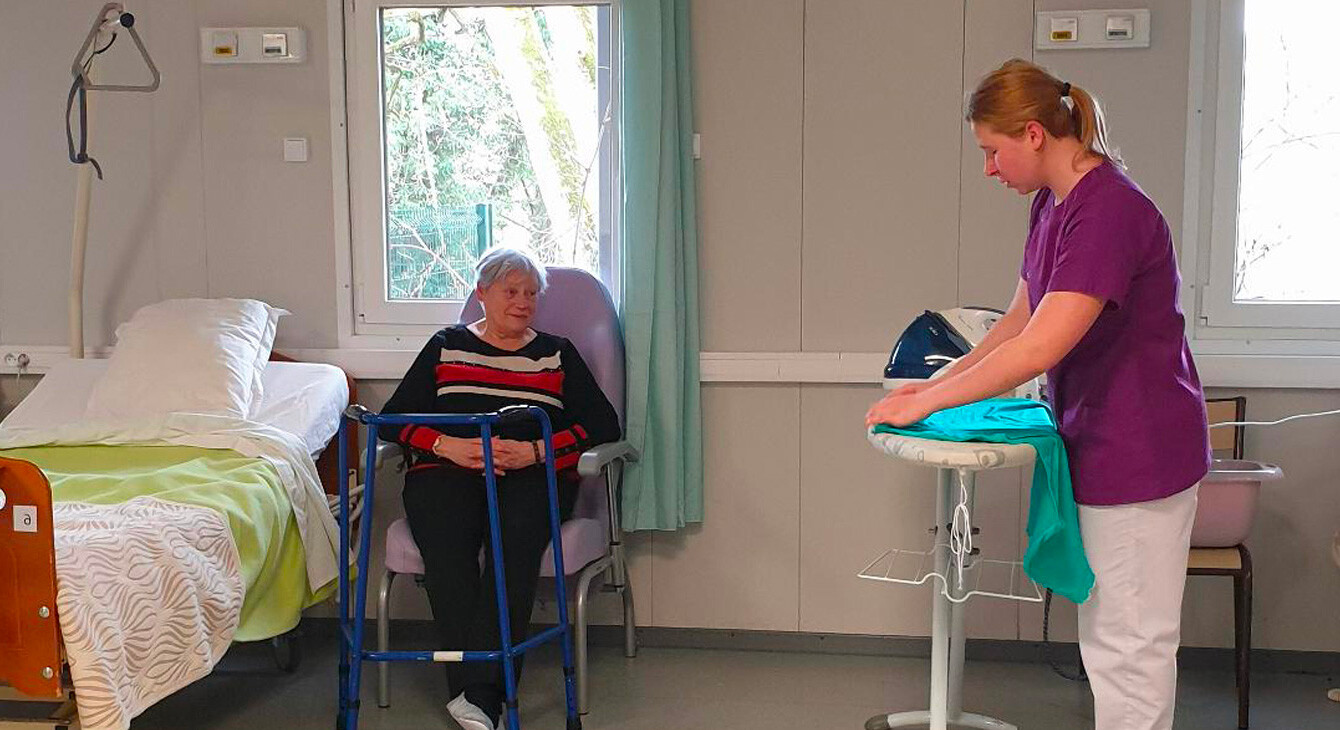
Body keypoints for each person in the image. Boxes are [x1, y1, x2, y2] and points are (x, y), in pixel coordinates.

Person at [866, 59, 1211, 730]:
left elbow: (1040, 348)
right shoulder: (1052, 207)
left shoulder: (1110, 210)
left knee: (1130, 652)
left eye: (992, 152)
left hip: (1141, 454)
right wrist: (937, 383)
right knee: (1109, 641)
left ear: (1032, 134)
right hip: (1102, 443)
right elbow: (1016, 324)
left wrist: (929, 405)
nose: (989, 169)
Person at [380, 246, 620, 730]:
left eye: (531, 293)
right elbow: (391, 420)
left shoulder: (556, 352)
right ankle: (480, 693)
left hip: (531, 475)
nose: (523, 301)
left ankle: (480, 697)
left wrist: (537, 452)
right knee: (447, 552)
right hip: (444, 471)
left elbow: (603, 424)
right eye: (511, 291)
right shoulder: (446, 344)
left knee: (514, 550)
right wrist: (445, 445)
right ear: (482, 293)